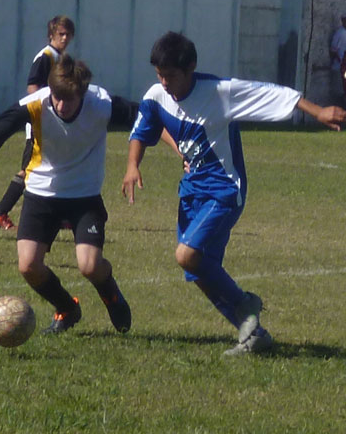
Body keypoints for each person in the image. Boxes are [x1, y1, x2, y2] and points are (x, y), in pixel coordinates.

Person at [122, 31, 346, 355]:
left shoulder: (219, 92)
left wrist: (317, 111)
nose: (165, 83)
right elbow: (142, 131)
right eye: (160, 75)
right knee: (197, 270)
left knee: (186, 255)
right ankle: (254, 335)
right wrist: (132, 165)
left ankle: (244, 303)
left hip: (224, 190)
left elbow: (269, 94)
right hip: (191, 192)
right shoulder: (156, 96)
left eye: (170, 76)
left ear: (190, 67)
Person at [0, 54, 132, 334]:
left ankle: (111, 295)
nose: (61, 105)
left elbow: (150, 119)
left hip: (84, 195)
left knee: (89, 265)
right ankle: (67, 308)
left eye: (69, 99)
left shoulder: (102, 104)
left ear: (82, 94)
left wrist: (177, 151)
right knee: (28, 265)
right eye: (57, 97)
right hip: (41, 193)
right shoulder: (34, 105)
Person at [0, 15, 75, 230]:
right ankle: (0, 211)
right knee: (29, 170)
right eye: (61, 34)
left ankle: (60, 215)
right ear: (51, 35)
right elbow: (33, 87)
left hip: (52, 125)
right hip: (39, 126)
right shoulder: (46, 57)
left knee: (54, 167)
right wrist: (45, 112)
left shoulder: (60, 57)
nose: (65, 38)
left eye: (68, 34)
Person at [329, 12, 346, 106]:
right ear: (343, 20)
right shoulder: (340, 33)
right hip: (339, 67)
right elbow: (333, 50)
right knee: (340, 91)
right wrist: (340, 60)